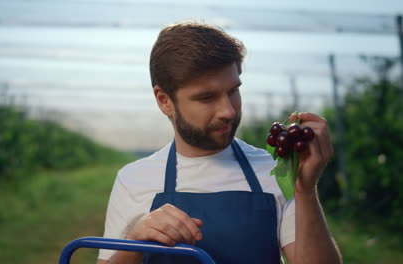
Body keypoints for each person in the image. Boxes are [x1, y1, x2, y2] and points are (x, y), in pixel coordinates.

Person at [97, 22, 342, 264]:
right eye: (207, 97)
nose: (228, 111)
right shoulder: (133, 180)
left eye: (233, 91)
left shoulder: (274, 170)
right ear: (164, 100)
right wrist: (134, 241)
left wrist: (305, 190)